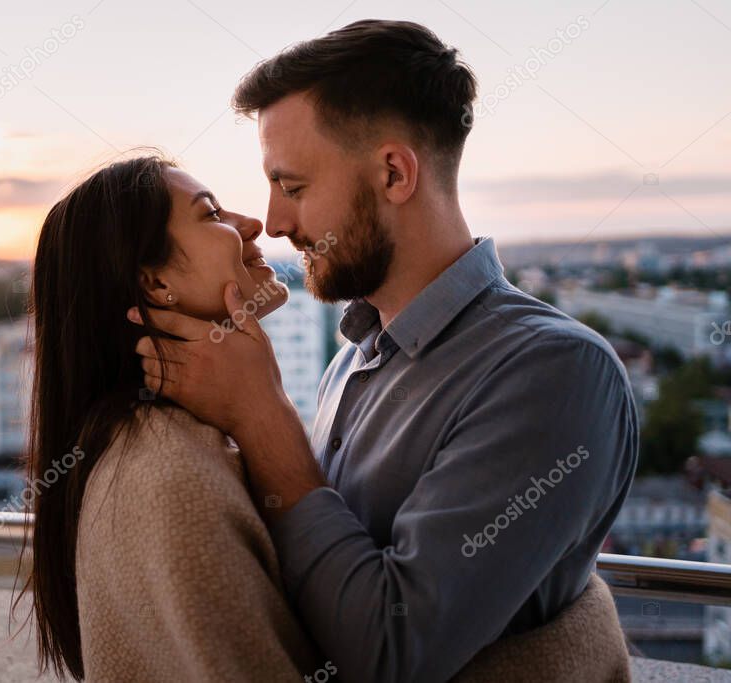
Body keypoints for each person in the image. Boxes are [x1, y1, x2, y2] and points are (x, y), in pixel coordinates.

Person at [130, 19, 638, 682]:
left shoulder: (557, 372)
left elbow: (390, 653)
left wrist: (261, 415)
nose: (276, 222)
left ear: (395, 172)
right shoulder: (352, 362)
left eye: (294, 186)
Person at [18, 154, 321, 682]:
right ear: (156, 286)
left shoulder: (152, 444)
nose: (253, 224)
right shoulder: (173, 475)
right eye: (212, 215)